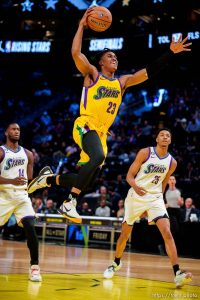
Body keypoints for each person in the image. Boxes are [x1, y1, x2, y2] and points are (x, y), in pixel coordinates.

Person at [27, 7, 192, 224]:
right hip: (85, 124)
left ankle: (48, 179)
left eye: (115, 56)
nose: (114, 58)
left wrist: (170, 52)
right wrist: (81, 26)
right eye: (109, 56)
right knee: (97, 158)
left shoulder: (122, 82)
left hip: (101, 133)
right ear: (101, 62)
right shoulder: (92, 75)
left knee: (85, 179)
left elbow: (148, 72)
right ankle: (69, 202)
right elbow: (76, 53)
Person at [103, 128, 192, 288]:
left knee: (167, 232)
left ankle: (177, 273)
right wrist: (136, 187)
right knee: (124, 234)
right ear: (157, 139)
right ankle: (115, 263)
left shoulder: (172, 162)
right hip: (136, 196)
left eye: (168, 136)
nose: (165, 137)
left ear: (170, 141)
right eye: (162, 135)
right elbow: (129, 176)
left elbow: (163, 183)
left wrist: (158, 199)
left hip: (155, 198)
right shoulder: (145, 153)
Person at [0, 123, 42, 282]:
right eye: (13, 129)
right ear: (6, 132)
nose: (16, 131)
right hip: (3, 196)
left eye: (18, 129)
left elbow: (29, 180)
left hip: (22, 197)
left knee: (31, 227)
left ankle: (35, 268)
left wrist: (39, 184)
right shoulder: (1, 151)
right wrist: (12, 180)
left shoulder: (28, 154)